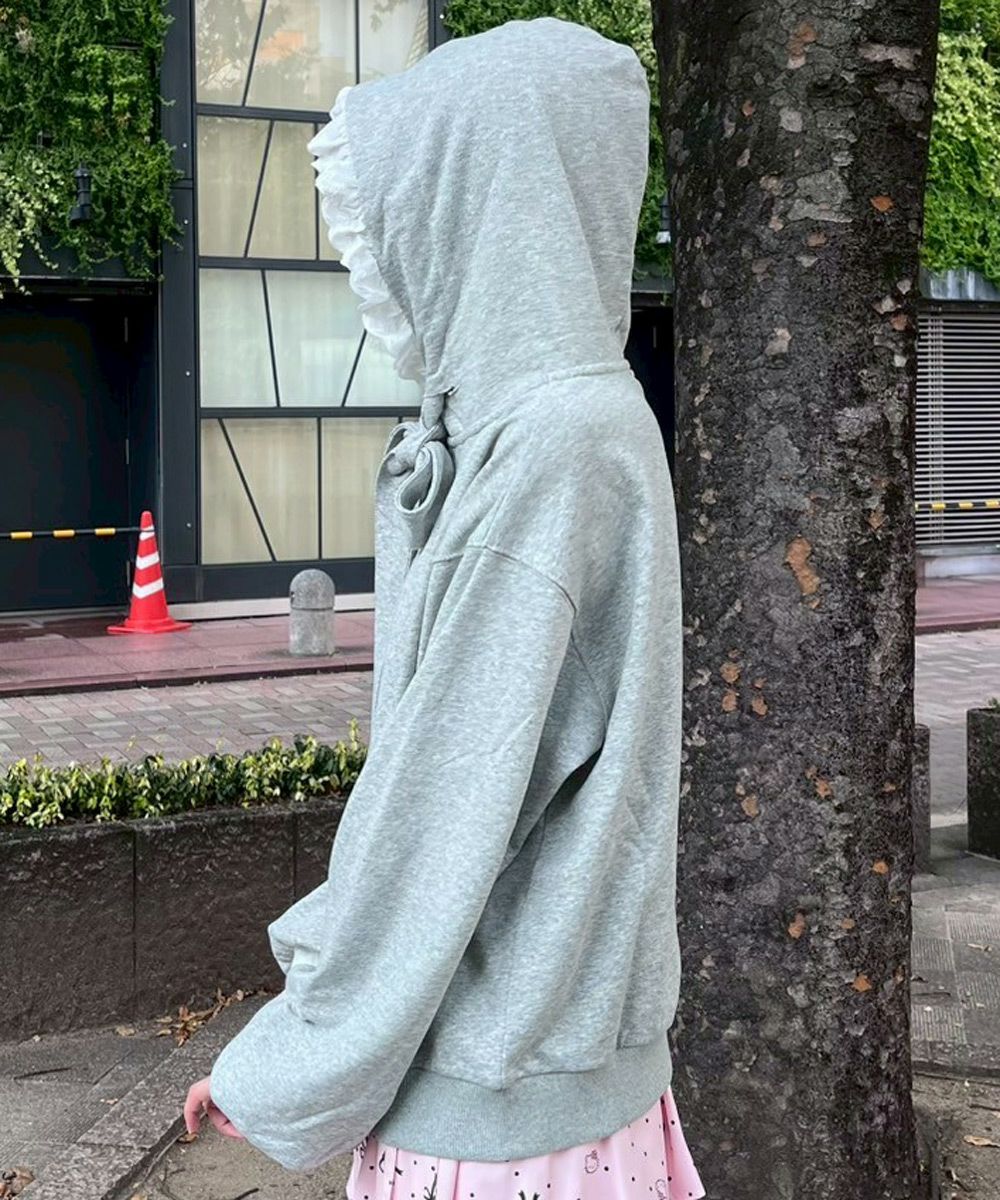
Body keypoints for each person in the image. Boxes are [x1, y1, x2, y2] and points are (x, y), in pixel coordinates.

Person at [183, 16, 705, 1199]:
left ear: (481, 210)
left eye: (398, 218)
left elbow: (438, 815)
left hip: (497, 1103)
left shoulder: (550, 450)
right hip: (556, 1074)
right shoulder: (572, 423)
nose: (370, 264)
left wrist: (289, 1061)